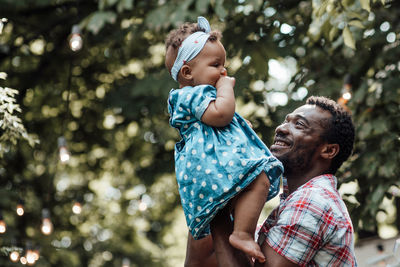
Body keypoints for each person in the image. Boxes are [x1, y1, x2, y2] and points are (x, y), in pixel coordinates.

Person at [185, 96, 358, 267]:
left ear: (329, 150)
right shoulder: (292, 206)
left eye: (299, 125)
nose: (281, 128)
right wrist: (218, 172)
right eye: (286, 121)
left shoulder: (312, 201)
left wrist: (218, 205)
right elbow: (201, 261)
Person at [165, 16, 283, 262]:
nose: (223, 71)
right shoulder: (189, 95)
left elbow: (223, 121)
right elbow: (221, 114)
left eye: (223, 64)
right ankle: (242, 234)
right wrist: (226, 87)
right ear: (187, 72)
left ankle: (241, 233)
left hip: (217, 165)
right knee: (258, 180)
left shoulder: (200, 94)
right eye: (215, 64)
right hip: (212, 167)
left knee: (258, 183)